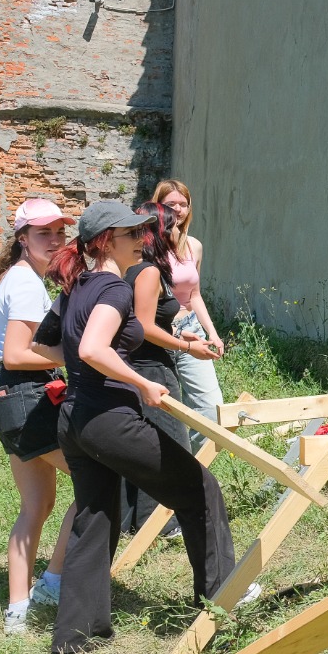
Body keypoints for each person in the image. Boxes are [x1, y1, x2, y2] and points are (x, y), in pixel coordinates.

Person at [35, 200, 236, 654]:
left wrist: (91, 373)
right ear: (108, 242)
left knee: (96, 516)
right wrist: (140, 379)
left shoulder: (75, 286)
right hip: (108, 418)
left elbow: (44, 345)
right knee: (199, 488)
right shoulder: (113, 289)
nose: (143, 240)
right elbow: (90, 347)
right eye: (132, 234)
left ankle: (75, 636)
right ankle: (222, 603)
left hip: (76, 418)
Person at [0, 198, 78, 635]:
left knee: (37, 505)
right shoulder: (23, 283)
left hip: (8, 397)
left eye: (60, 232)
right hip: (24, 396)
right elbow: (20, 355)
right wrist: (77, 357)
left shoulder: (25, 279)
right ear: (22, 239)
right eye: (43, 233)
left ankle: (18, 610)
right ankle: (52, 583)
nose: (55, 240)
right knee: (99, 479)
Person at [120, 201, 221, 536]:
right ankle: (162, 525)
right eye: (173, 226)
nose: (179, 229)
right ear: (161, 232)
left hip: (140, 362)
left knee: (146, 444)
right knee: (170, 447)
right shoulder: (148, 272)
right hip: (151, 367)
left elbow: (139, 322)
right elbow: (146, 328)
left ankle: (133, 520)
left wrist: (179, 332)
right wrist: (186, 345)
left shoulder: (136, 268)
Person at [151, 180, 224, 449]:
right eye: (171, 204)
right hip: (156, 332)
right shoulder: (146, 248)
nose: (179, 210)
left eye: (184, 204)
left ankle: (191, 467)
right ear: (158, 206)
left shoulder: (194, 246)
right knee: (161, 410)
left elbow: (194, 295)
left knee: (211, 408)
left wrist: (212, 333)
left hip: (191, 329)